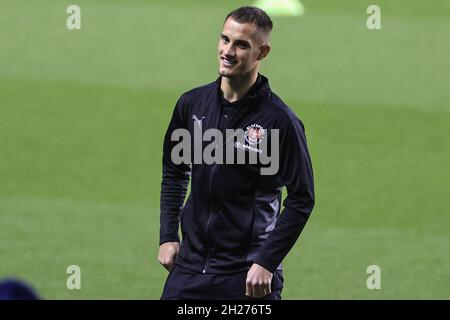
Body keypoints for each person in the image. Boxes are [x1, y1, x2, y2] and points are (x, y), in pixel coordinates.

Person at [158, 6, 315, 300]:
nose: (228, 51)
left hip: (246, 275)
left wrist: (267, 261)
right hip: (189, 269)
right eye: (225, 39)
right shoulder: (192, 105)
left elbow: (302, 198)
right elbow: (175, 170)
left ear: (262, 52)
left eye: (241, 44)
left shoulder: (280, 121)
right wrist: (168, 236)